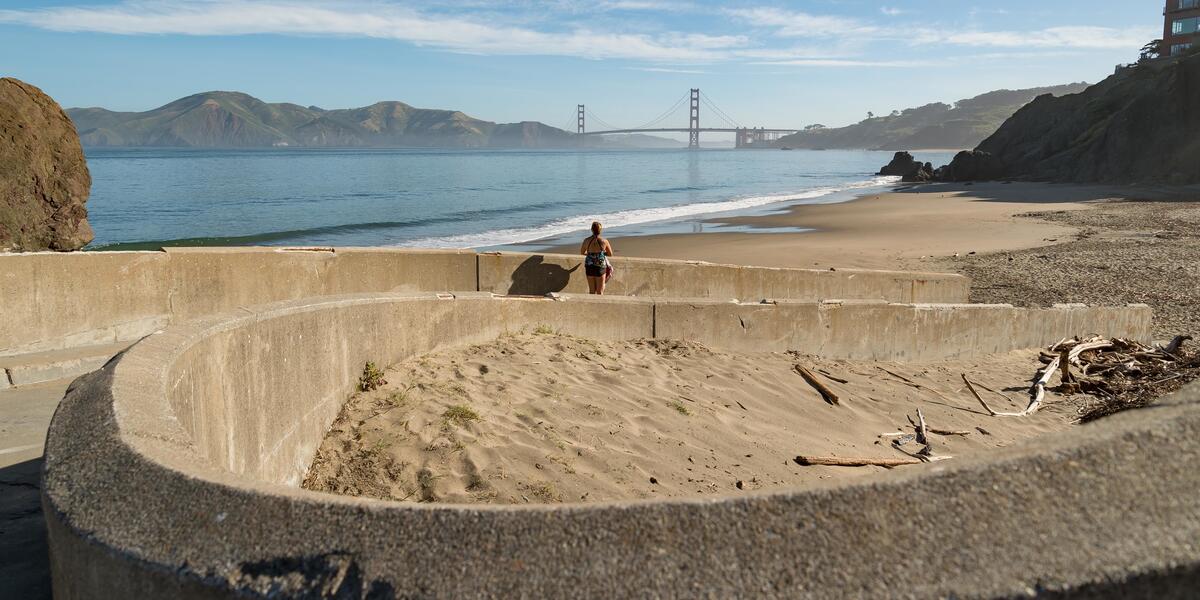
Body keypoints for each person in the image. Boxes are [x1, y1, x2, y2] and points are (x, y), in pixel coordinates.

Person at [580, 221, 614, 295]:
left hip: (589, 266)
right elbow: (610, 254)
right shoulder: (604, 241)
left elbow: (582, 252)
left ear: (591, 229)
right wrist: (601, 253)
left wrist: (590, 254)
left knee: (591, 291)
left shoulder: (586, 240)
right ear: (600, 230)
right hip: (600, 266)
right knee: (600, 291)